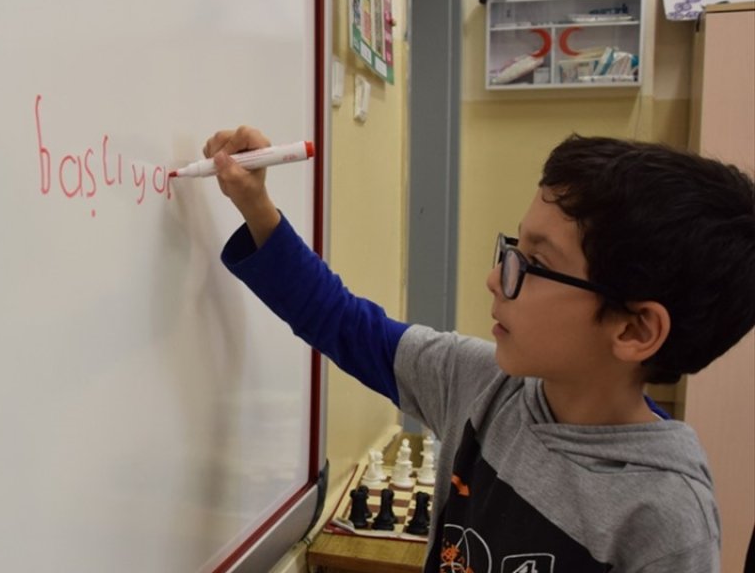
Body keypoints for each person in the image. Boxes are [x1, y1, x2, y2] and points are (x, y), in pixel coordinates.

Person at [207, 126, 755, 572]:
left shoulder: (666, 522)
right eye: (513, 249)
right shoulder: (484, 384)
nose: (496, 278)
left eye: (535, 265)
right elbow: (341, 321)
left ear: (634, 331)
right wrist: (255, 205)